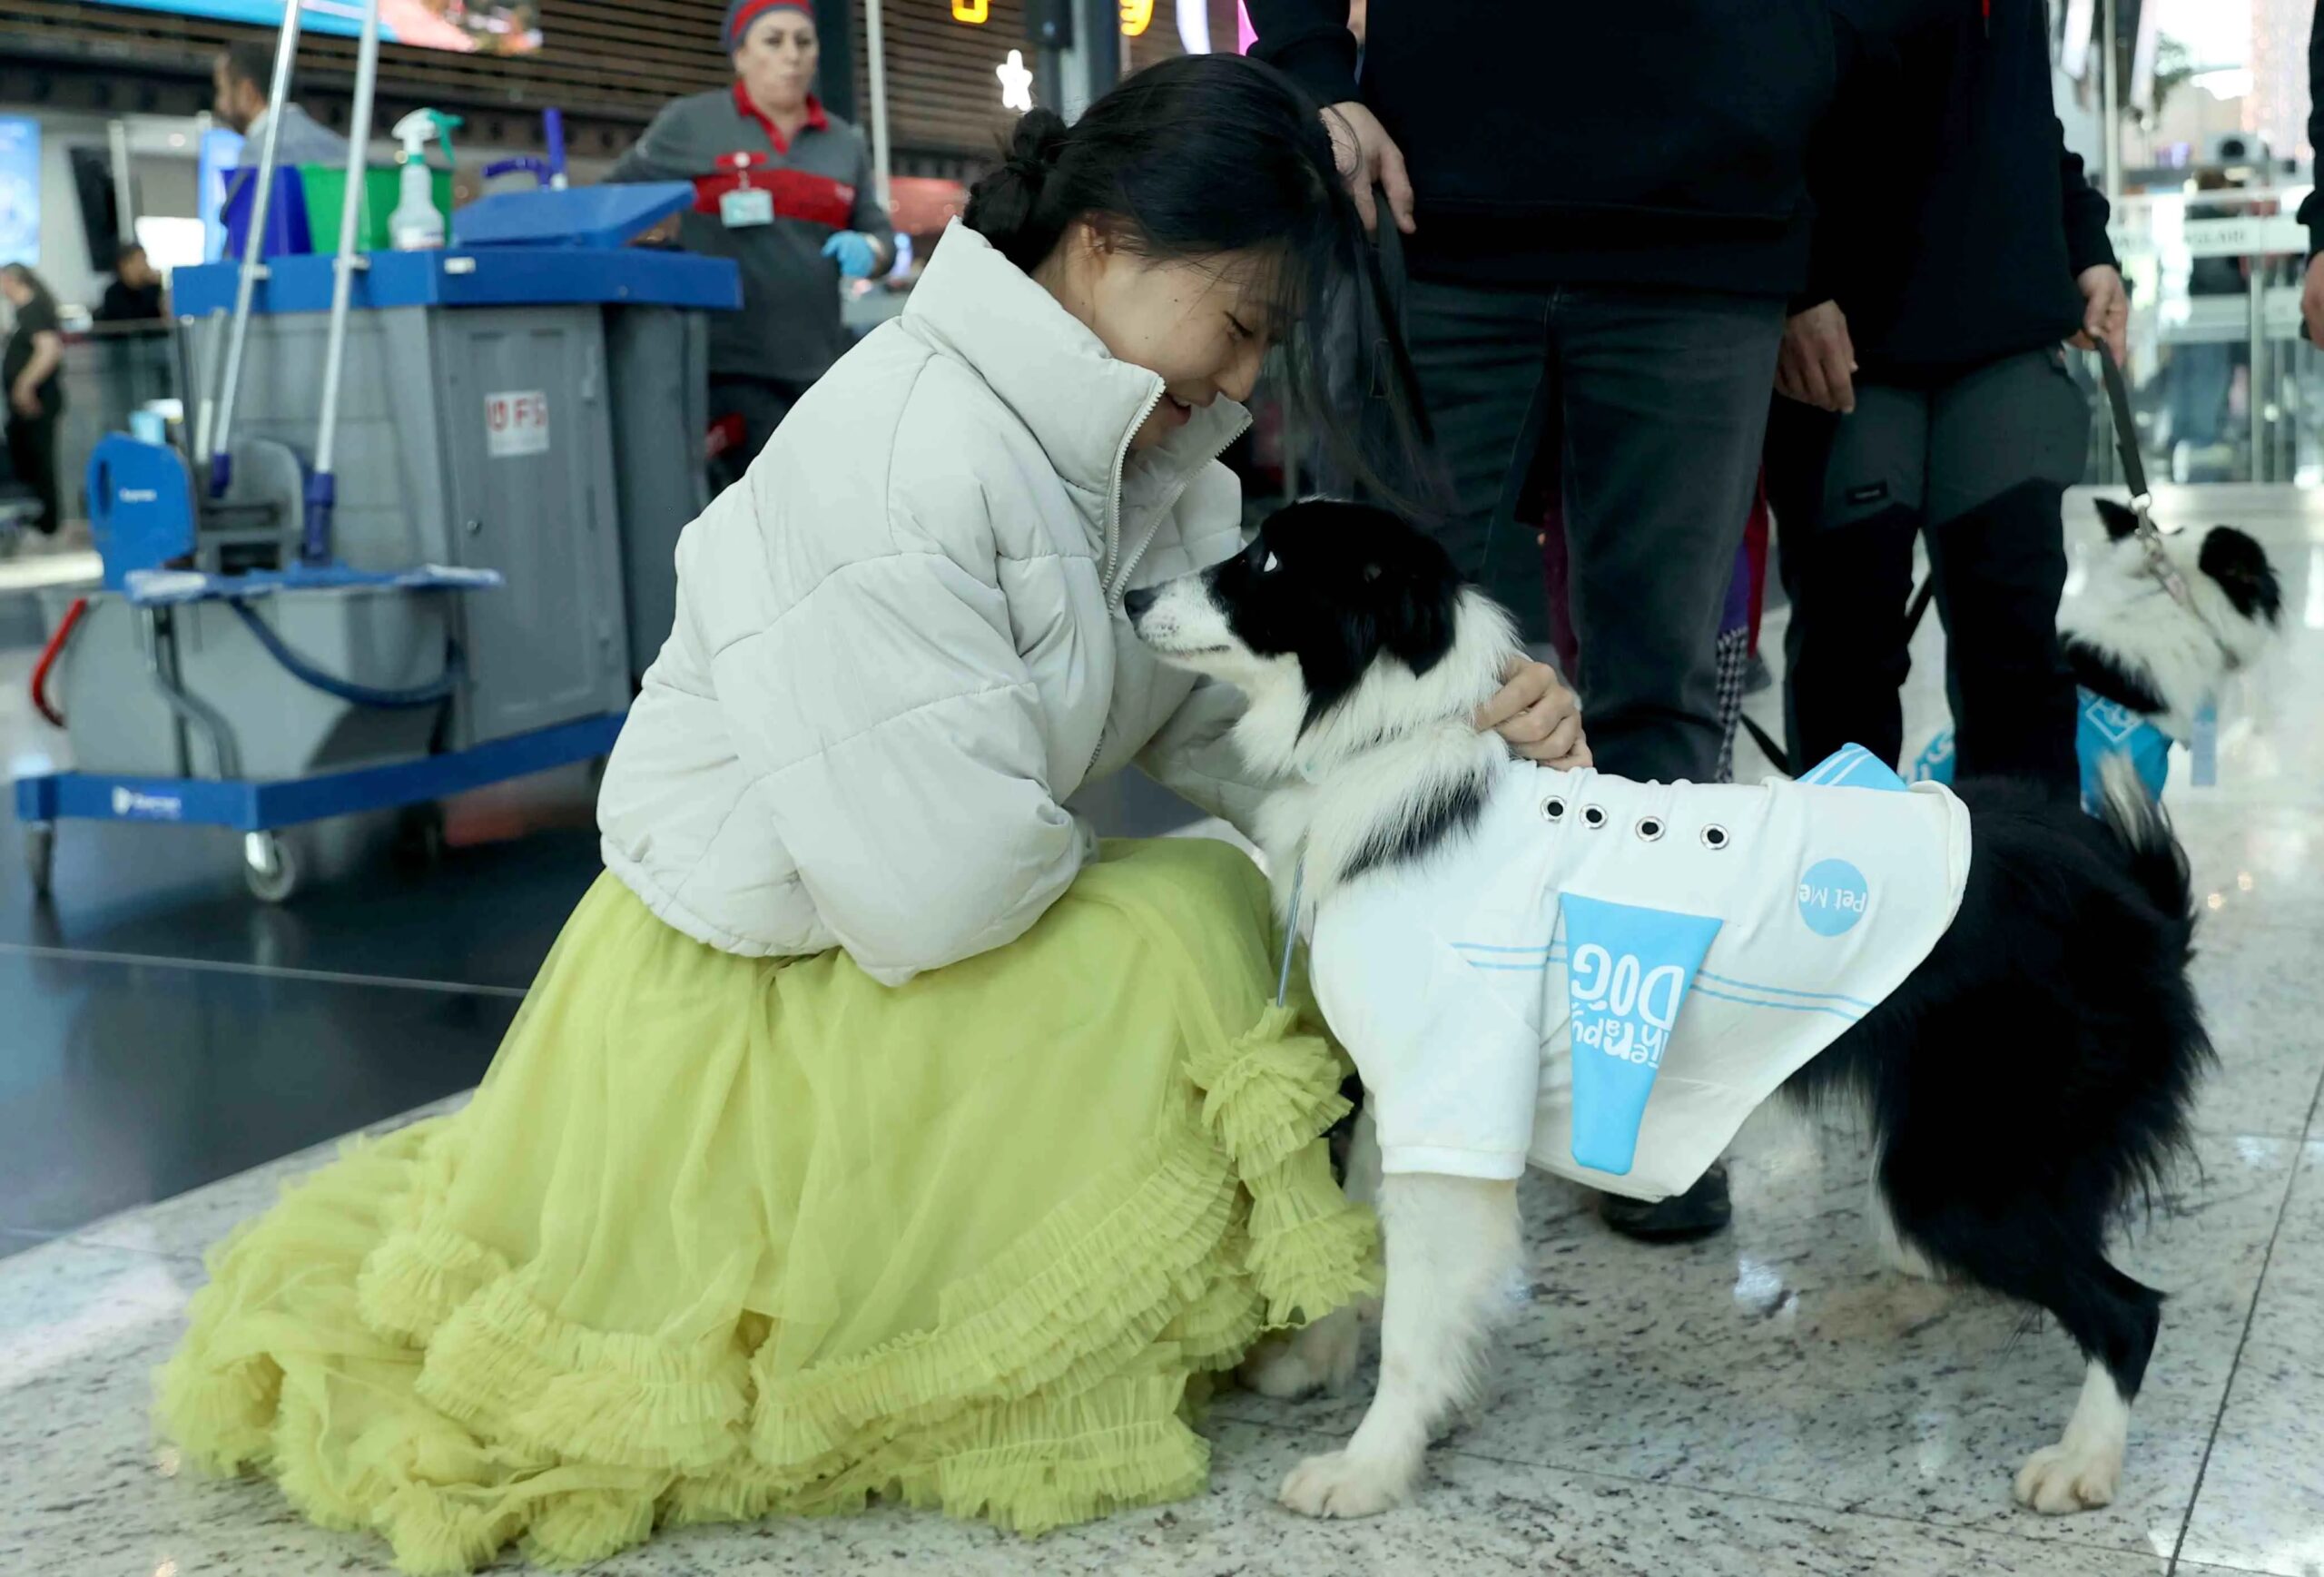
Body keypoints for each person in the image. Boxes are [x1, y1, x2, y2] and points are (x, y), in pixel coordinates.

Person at [155, 56, 1588, 1572]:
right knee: (1183, 929)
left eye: (1262, 347)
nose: (1242, 381)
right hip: (754, 983)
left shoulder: (1132, 450)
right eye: (1240, 327)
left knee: (1218, 909)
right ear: (1105, 242)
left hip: (900, 908)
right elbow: (935, 894)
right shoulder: (907, 453)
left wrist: (1447, 728)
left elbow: (1204, 726)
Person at [1245, 0, 1866, 1240]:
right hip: (1440, 218)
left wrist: (1807, 221)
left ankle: (1628, 1098)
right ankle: (1378, 1084)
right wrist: (1315, 69)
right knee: (1391, 688)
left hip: (1711, 229)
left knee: (1662, 694)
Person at [1766, 0, 2126, 799]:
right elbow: (1759, 92)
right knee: (1846, 663)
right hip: (1847, 341)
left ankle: (2026, 910)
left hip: (2004, 337)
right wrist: (1800, 280)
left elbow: (2022, 119)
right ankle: (1846, 914)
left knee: (2017, 658)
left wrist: (2084, 243)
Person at [609, 0, 896, 484]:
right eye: (773, 40)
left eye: (804, 42)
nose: (792, 55)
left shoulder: (843, 143)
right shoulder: (691, 124)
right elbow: (613, 204)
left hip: (819, 368)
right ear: (740, 55)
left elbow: (880, 234)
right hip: (726, 370)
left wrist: (872, 251)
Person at [212, 41, 351, 166]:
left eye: (222, 91)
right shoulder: (339, 148)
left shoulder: (256, 153)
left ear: (248, 92)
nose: (220, 105)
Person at [2, 263, 65, 537]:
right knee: (27, 461)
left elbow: (49, 350)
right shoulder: (22, 315)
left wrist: (25, 386)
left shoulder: (33, 310)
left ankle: (45, 524)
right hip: (25, 404)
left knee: (39, 463)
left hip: (37, 401)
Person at [94, 242, 165, 323]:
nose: (145, 266)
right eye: (139, 261)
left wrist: (158, 286)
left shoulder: (151, 289)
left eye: (145, 260)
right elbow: (130, 321)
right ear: (124, 265)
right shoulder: (113, 293)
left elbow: (160, 321)